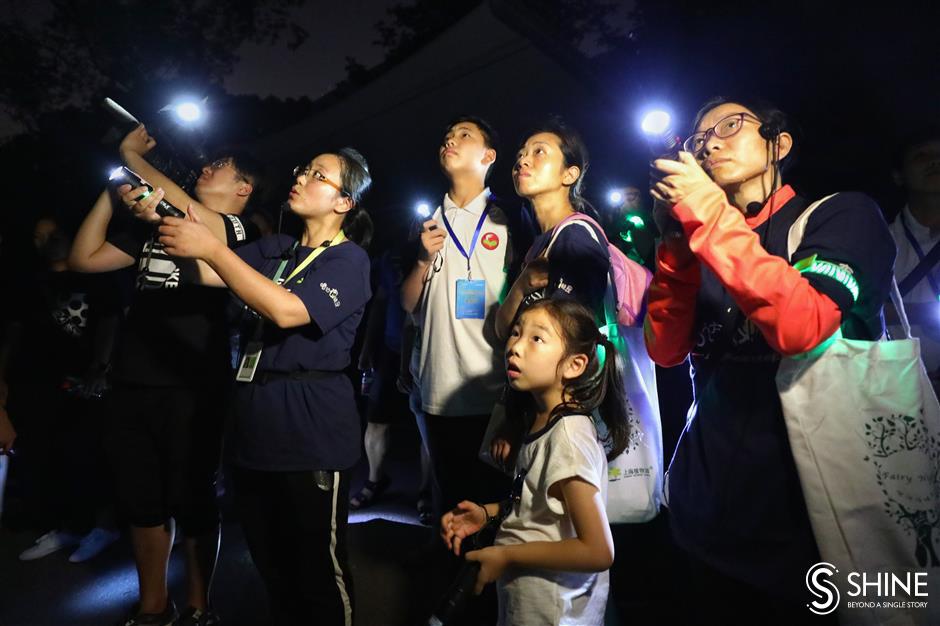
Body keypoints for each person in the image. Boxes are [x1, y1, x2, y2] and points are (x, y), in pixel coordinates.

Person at [645, 97, 895, 622]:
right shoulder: (703, 238)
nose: (711, 142)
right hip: (705, 517)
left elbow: (804, 324)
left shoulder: (842, 215)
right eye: (700, 138)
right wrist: (674, 245)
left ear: (779, 143)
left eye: (730, 125)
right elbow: (665, 350)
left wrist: (707, 214)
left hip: (813, 530)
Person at [154, 148, 373, 626]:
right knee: (272, 568)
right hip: (255, 429)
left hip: (312, 432)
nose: (302, 177)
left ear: (345, 203)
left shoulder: (349, 260)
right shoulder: (277, 249)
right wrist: (160, 212)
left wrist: (209, 248)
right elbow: (212, 271)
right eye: (303, 168)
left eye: (320, 175)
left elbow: (287, 310)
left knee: (319, 572)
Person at [69, 125, 261, 626]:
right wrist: (115, 190)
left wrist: (131, 153)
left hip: (194, 384)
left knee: (194, 499)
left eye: (219, 166)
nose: (205, 168)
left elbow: (191, 215)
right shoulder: (155, 225)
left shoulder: (241, 230)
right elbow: (83, 259)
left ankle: (199, 605)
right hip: (134, 379)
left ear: (244, 188)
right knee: (141, 500)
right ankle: (153, 605)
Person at [442, 299, 628, 626]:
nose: (515, 347)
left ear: (575, 364)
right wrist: (489, 513)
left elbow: (598, 550)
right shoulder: (544, 421)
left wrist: (507, 554)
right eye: (516, 333)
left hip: (553, 613)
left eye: (536, 338)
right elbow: (544, 504)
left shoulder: (569, 437)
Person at [400, 115, 512, 519]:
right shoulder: (425, 219)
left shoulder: (509, 219)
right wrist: (421, 260)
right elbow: (407, 303)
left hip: (495, 391)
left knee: (493, 503)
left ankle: (488, 581)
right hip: (437, 389)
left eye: (464, 135)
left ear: (488, 155)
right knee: (449, 501)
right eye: (447, 135)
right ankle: (451, 577)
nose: (450, 140)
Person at [6, 217, 122, 563]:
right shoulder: (31, 284)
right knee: (56, 456)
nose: (47, 241)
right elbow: (15, 333)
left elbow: (111, 319)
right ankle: (72, 526)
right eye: (38, 237)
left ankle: (103, 527)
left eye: (54, 233)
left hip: (91, 381)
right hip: (45, 384)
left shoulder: (95, 273)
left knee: (94, 454)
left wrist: (100, 367)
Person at [495, 120, 609, 338]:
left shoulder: (576, 236)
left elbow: (567, 340)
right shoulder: (537, 245)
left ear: (569, 174)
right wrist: (520, 287)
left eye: (539, 152)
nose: (522, 161)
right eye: (520, 155)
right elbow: (502, 333)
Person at [886, 128, 940, 392]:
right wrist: (922, 313)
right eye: (922, 156)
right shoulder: (878, 242)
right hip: (904, 396)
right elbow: (853, 313)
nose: (934, 161)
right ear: (899, 175)